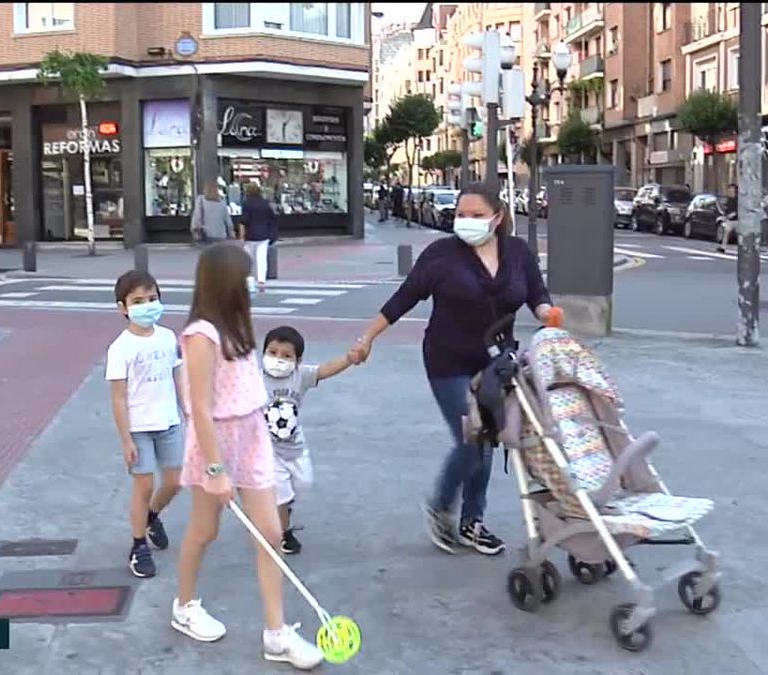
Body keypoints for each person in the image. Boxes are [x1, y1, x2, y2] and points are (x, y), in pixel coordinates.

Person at [348, 182, 556, 556]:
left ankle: (472, 521)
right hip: (448, 360)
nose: (466, 222)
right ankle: (441, 505)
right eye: (461, 214)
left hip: (497, 362)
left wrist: (547, 313)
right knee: (471, 438)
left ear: (498, 217)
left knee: (488, 440)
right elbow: (404, 298)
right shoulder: (442, 255)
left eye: (476, 215)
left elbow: (536, 294)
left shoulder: (517, 252)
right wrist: (368, 337)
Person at [171, 243, 323, 669]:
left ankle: (276, 634)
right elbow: (198, 407)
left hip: (253, 432)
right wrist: (216, 470)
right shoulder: (201, 334)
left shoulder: (239, 325)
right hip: (215, 439)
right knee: (204, 532)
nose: (252, 283)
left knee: (271, 533)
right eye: (245, 277)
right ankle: (184, 605)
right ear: (225, 283)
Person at [106, 270, 187, 579]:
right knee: (144, 485)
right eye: (138, 301)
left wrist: (189, 413)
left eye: (152, 299)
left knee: (175, 481)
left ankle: (152, 516)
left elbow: (178, 377)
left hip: (169, 423)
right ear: (123, 307)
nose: (147, 306)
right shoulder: (121, 348)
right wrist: (125, 440)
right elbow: (117, 397)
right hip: (139, 429)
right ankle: (138, 546)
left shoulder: (168, 337)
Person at [261, 326, 357, 555]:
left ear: (297, 360)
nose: (278, 360)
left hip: (295, 447)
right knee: (281, 494)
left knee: (304, 486)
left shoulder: (300, 376)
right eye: (272, 352)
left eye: (286, 356)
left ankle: (285, 508)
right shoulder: (254, 381)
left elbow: (325, 370)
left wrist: (349, 359)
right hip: (269, 451)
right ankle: (285, 534)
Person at [239, 183, 277, 293]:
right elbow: (272, 219)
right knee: (261, 259)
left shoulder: (246, 204)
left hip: (250, 235)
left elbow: (244, 220)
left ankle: (247, 279)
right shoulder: (265, 203)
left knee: (247, 258)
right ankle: (261, 281)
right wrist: (272, 234)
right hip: (264, 235)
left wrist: (241, 236)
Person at [190, 181, 234, 246]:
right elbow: (228, 221)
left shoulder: (200, 200)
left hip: (206, 235)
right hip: (220, 235)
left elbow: (197, 217)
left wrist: (194, 229)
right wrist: (231, 233)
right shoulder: (222, 202)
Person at [716, 183, 738, 253]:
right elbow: (727, 209)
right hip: (730, 220)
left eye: (732, 189)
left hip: (738, 220)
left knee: (740, 234)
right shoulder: (729, 199)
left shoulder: (738, 199)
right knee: (726, 232)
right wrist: (725, 216)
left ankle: (743, 248)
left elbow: (740, 209)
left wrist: (735, 213)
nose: (730, 190)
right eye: (729, 189)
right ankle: (723, 247)